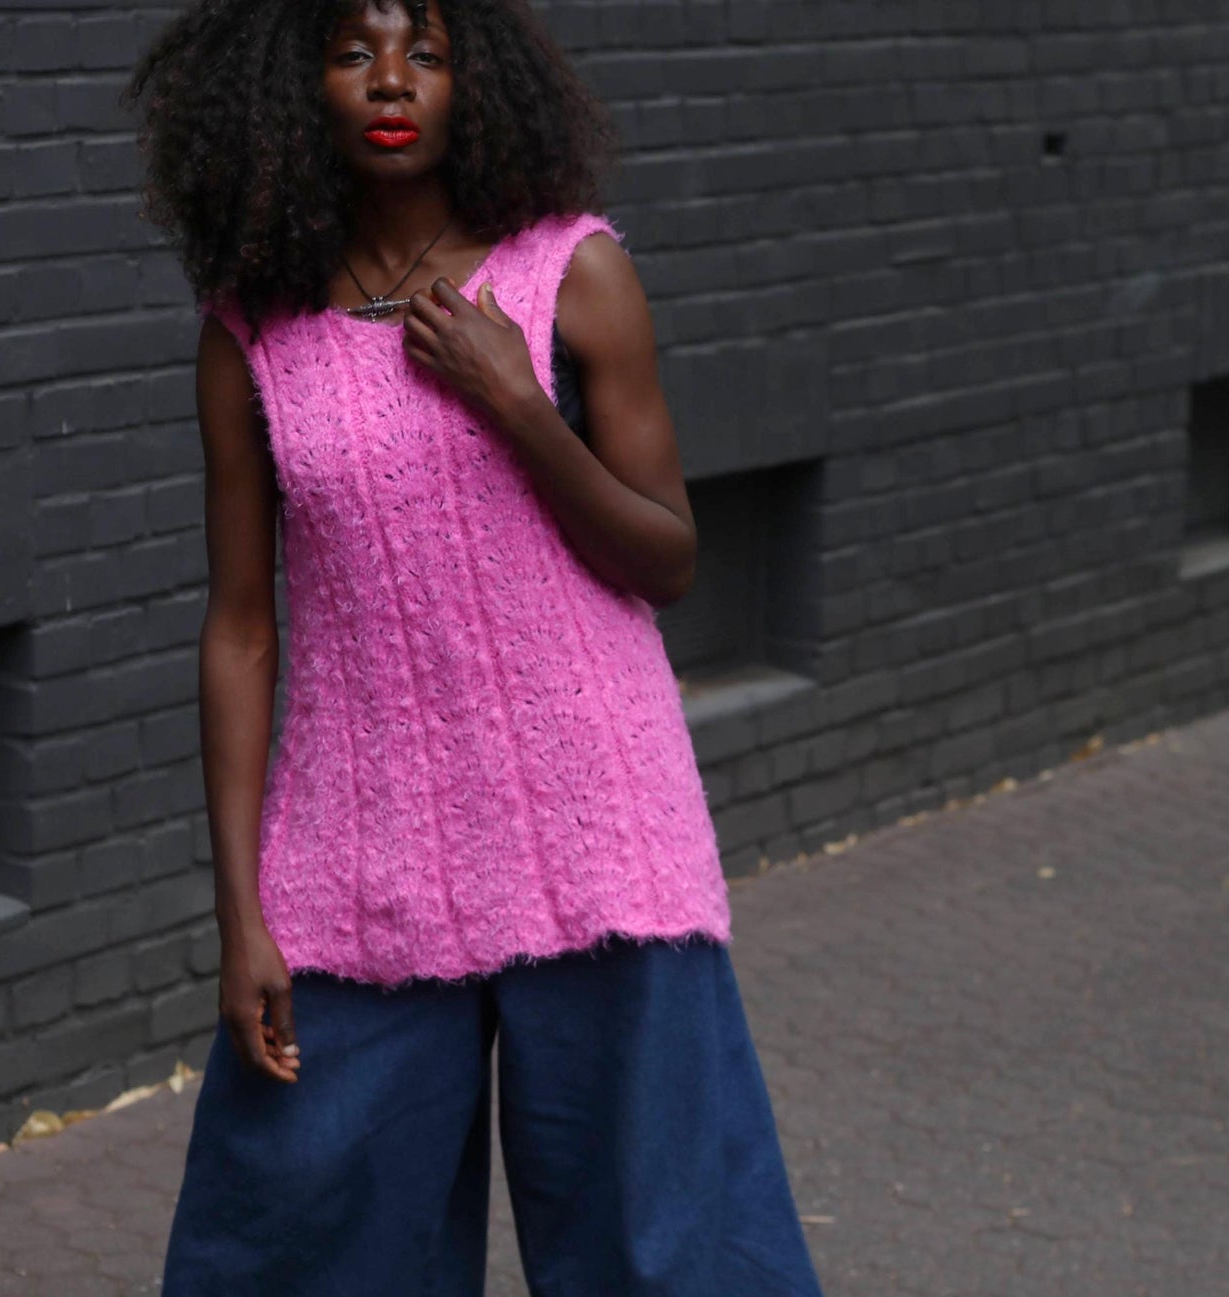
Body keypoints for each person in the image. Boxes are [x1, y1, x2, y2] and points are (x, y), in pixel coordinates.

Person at [121, 1, 828, 1292]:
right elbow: (240, 628)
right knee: (301, 1243)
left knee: (659, 1255)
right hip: (360, 855)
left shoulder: (572, 273)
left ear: (476, 81)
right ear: (291, 89)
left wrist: (517, 399)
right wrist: (241, 913)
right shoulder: (252, 335)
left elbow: (667, 557)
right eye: (353, 51)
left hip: (598, 835)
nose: (392, 80)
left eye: (427, 53)